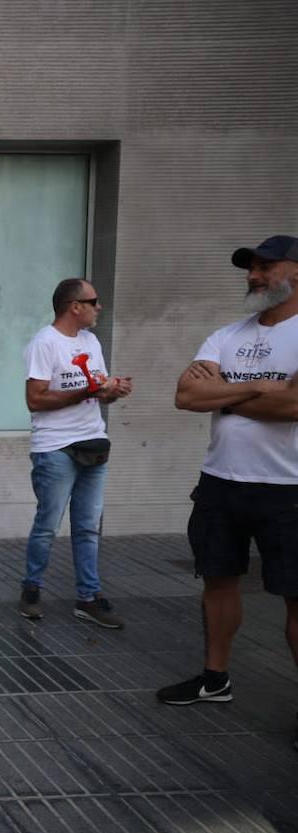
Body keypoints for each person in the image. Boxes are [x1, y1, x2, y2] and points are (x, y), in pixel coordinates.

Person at [158, 235, 298, 722]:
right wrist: (262, 385)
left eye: (266, 267)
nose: (254, 276)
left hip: (288, 489)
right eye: (251, 268)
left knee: (294, 596)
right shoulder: (227, 334)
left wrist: (225, 389)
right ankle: (215, 680)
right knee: (218, 581)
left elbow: (295, 405)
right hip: (220, 482)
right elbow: (185, 396)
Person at [18, 278, 133, 627]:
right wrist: (89, 390)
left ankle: (88, 596)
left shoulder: (91, 341)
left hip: (93, 442)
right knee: (47, 526)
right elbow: (35, 399)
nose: (99, 307)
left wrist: (113, 391)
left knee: (87, 527)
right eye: (93, 301)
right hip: (55, 448)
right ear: (74, 307)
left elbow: (97, 391)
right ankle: (32, 589)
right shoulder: (44, 343)